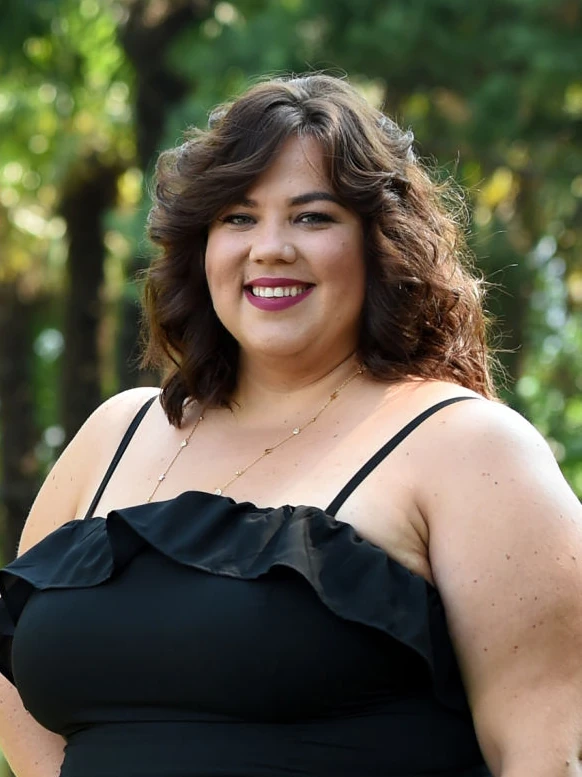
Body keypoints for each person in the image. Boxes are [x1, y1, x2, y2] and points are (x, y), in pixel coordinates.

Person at [0, 73, 581, 777]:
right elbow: (16, 684)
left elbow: (544, 755)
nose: (270, 247)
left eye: (313, 217)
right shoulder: (113, 436)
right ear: (200, 245)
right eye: (237, 218)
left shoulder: (471, 448)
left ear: (381, 245)